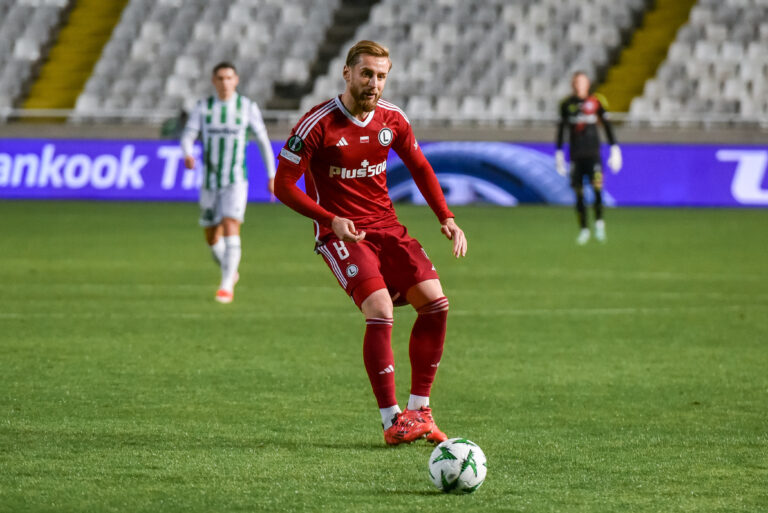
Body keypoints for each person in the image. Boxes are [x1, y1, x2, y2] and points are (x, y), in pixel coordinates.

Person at [273, 41, 467, 446]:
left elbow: (419, 166)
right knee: (379, 307)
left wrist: (446, 217)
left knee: (436, 302)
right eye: (366, 74)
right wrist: (329, 219)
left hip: (386, 226)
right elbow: (283, 186)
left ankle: (419, 411)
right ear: (347, 74)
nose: (374, 83)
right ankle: (391, 420)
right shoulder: (316, 124)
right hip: (339, 232)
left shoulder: (392, 119)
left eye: (381, 76)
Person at [181, 62, 276, 303]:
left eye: (229, 78)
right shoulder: (203, 108)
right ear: (214, 81)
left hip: (236, 180)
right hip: (210, 181)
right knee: (212, 237)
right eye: (220, 78)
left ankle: (225, 286)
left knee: (231, 224)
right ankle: (229, 270)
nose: (225, 82)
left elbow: (263, 141)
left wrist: (272, 175)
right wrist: (187, 153)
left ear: (237, 80)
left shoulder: (246, 107)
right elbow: (188, 135)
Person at [555, 71, 622, 245]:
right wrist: (559, 153)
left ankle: (599, 224)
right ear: (573, 84)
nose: (580, 85)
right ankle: (584, 229)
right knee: (579, 194)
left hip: (593, 155)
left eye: (583, 82)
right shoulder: (567, 105)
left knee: (598, 188)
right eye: (577, 82)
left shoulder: (596, 102)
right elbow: (561, 130)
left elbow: (607, 125)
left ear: (588, 84)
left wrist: (615, 149)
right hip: (576, 157)